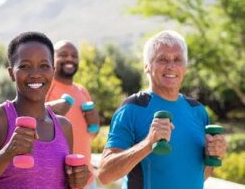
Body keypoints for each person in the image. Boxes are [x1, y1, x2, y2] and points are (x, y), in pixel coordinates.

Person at [0, 32, 90, 189]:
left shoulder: (64, 126)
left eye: (44, 66)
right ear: (11, 73)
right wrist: (8, 152)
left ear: (52, 71)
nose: (35, 74)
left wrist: (77, 182)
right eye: (25, 66)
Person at [97, 30, 227, 189]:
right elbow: (104, 175)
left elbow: (200, 175)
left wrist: (212, 154)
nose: (171, 66)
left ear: (185, 68)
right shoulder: (132, 108)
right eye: (162, 59)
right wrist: (148, 143)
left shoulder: (197, 111)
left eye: (177, 59)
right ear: (146, 66)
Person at [45, 40, 100, 188]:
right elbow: (30, 120)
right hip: (58, 181)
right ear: (51, 59)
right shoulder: (44, 88)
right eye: (63, 54)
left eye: (74, 55)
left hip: (87, 179)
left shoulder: (82, 91)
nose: (70, 59)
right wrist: (49, 110)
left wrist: (96, 123)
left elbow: (89, 135)